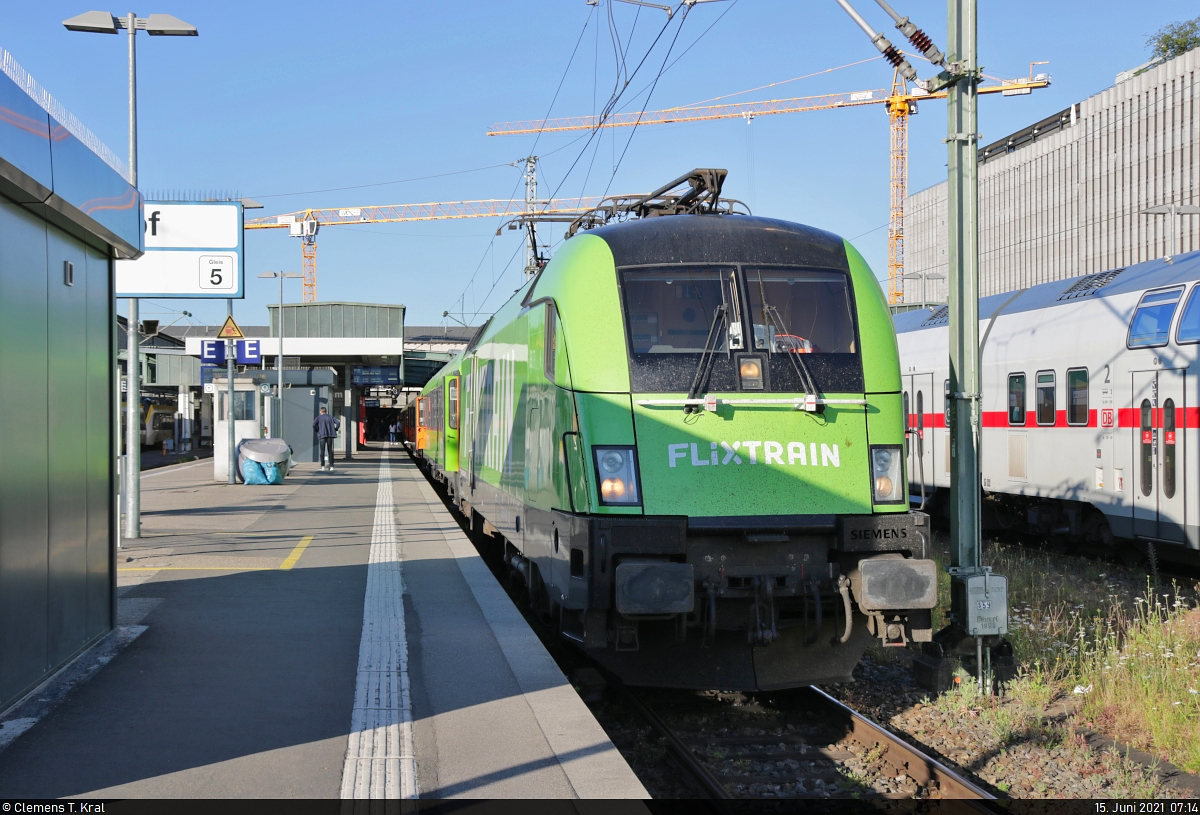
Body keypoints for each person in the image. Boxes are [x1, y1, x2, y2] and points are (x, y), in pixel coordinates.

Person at [312, 406, 340, 471]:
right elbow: (338, 422)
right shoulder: (330, 417)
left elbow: (313, 425)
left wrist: (317, 430)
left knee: (322, 451)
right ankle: (331, 466)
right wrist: (336, 428)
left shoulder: (318, 418)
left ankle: (322, 466)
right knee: (330, 450)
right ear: (325, 411)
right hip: (330, 435)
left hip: (322, 435)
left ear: (320, 411)